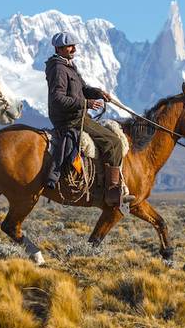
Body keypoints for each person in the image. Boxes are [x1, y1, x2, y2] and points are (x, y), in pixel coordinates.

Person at [44, 31, 128, 206]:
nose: (74, 48)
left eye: (74, 45)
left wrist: (98, 93)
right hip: (71, 119)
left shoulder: (68, 66)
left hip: (77, 115)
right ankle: (112, 191)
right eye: (70, 46)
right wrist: (86, 104)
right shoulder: (59, 69)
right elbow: (57, 98)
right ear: (59, 49)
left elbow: (83, 89)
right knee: (113, 143)